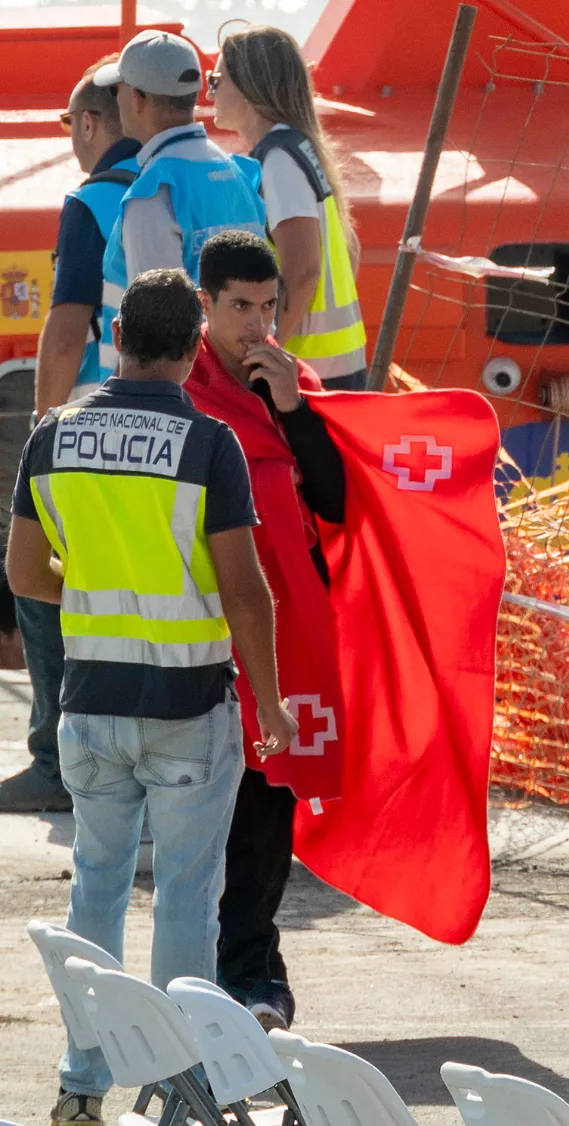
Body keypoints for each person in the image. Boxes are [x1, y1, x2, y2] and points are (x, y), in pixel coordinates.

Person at [9, 268, 296, 1126]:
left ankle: (81, 1081)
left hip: (91, 706)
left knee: (93, 894)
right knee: (186, 897)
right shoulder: (209, 444)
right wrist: (273, 704)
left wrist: (105, 591)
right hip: (186, 710)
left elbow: (26, 573)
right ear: (191, 345)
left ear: (119, 340)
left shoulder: (53, 437)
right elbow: (245, 591)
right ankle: (183, 1084)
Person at [187, 229, 349, 1032]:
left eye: (267, 307)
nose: (257, 325)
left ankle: (253, 972)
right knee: (219, 813)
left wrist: (293, 408)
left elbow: (339, 502)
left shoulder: (296, 384)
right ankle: (232, 973)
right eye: (240, 307)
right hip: (208, 629)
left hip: (290, 632)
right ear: (205, 305)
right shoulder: (179, 386)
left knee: (267, 805)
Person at [0, 57, 141, 815]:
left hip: (91, 420)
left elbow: (63, 332)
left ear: (89, 124)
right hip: (179, 422)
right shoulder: (194, 184)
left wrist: (42, 430)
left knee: (40, 575)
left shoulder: (90, 199)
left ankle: (56, 759)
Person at [94, 29, 265, 389]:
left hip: (187, 399)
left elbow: (156, 335)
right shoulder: (238, 173)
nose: (116, 100)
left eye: (117, 90)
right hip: (241, 386)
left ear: (138, 99)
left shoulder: (154, 193)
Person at [210, 26, 368, 387]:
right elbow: (349, 252)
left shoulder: (279, 161)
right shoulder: (297, 150)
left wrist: (266, 352)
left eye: (216, 80)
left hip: (306, 375)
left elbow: (304, 272)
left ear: (250, 88)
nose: (210, 91)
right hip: (331, 368)